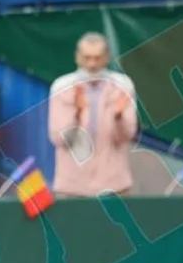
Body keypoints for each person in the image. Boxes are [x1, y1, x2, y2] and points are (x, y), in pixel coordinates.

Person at [48, 32, 139, 198]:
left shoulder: (123, 85)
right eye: (87, 58)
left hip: (115, 186)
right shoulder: (61, 87)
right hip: (72, 188)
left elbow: (126, 137)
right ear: (77, 57)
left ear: (107, 58)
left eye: (97, 58)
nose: (92, 64)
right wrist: (77, 113)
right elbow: (58, 139)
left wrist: (118, 116)